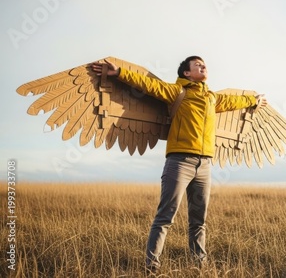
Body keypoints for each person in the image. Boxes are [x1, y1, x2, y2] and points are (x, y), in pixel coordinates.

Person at [92, 56, 267, 273]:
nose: (203, 66)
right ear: (186, 73)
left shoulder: (212, 98)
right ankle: (151, 268)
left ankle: (199, 267)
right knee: (165, 217)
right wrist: (119, 73)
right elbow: (149, 85)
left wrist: (253, 100)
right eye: (198, 65)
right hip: (179, 162)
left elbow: (233, 101)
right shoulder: (178, 92)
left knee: (198, 220)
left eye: (204, 64)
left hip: (204, 165)